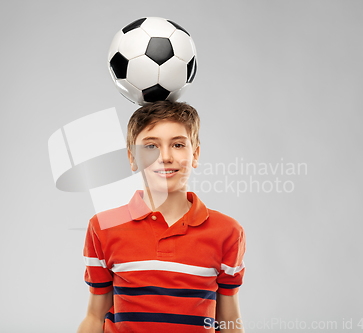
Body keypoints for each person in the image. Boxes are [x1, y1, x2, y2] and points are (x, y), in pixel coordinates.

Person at [77, 101, 246, 333]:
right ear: (132, 158)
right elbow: (94, 317)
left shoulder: (228, 232)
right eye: (150, 146)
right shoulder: (102, 227)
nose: (165, 156)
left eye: (177, 144)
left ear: (195, 154)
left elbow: (230, 321)